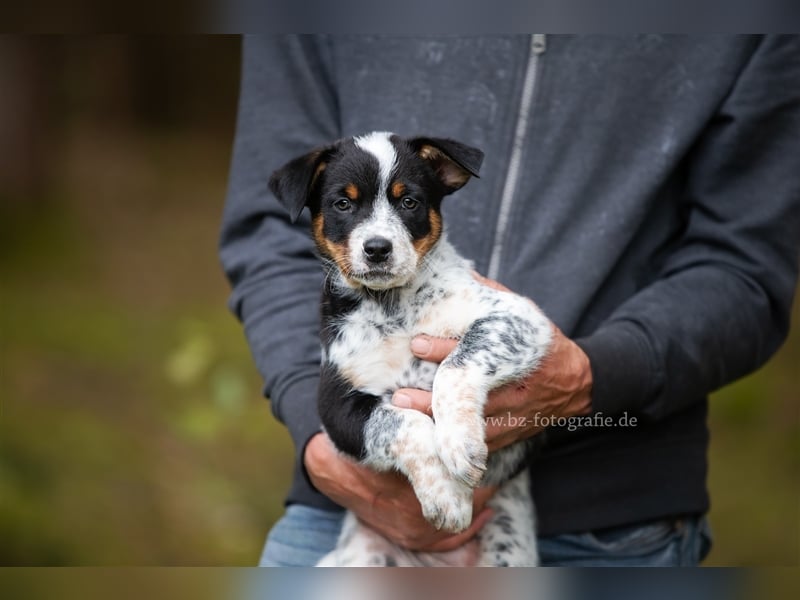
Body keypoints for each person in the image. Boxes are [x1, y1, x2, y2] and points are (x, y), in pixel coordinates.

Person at [220, 35, 800, 566]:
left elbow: (745, 264)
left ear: (442, 187)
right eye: (347, 206)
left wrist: (594, 374)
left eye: (405, 204)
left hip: (604, 521)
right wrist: (320, 441)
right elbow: (266, 238)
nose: (377, 235)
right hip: (348, 510)